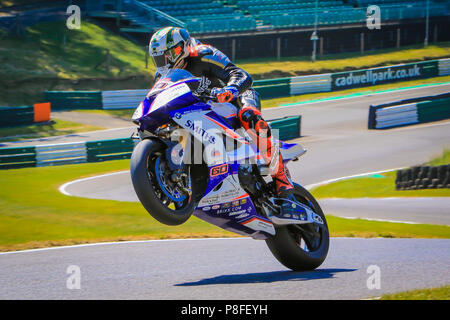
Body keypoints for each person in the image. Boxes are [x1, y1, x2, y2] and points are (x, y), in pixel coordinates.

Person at [149, 26, 301, 221]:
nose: (165, 62)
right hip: (200, 112)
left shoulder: (204, 54)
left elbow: (241, 74)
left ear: (183, 47)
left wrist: (230, 89)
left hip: (233, 98)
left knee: (249, 116)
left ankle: (281, 179)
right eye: (159, 58)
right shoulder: (162, 77)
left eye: (169, 55)